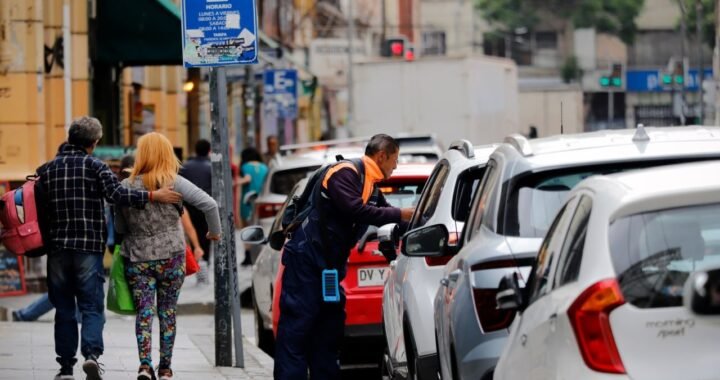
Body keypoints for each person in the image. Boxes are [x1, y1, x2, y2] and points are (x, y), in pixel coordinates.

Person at [38, 116, 182, 380]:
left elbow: (40, 210)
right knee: (91, 306)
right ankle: (91, 356)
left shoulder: (46, 170)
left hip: (57, 249)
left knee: (64, 309)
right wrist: (152, 195)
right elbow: (118, 195)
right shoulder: (96, 167)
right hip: (88, 248)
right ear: (94, 142)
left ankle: (66, 368)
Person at [274, 134, 414, 379]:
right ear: (382, 156)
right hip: (306, 260)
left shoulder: (370, 186)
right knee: (297, 328)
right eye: (395, 159)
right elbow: (355, 209)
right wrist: (401, 213)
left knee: (328, 330)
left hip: (329, 266)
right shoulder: (344, 172)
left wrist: (419, 225)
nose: (395, 166)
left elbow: (387, 216)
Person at [115, 132, 221, 380]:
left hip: (138, 257)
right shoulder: (174, 181)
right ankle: (165, 369)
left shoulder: (125, 186)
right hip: (171, 256)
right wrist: (213, 232)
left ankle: (144, 364)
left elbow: (120, 228)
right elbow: (210, 205)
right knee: (167, 311)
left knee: (144, 312)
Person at [179, 139, 213, 284]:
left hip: (188, 207)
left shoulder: (185, 167)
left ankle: (196, 261)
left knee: (192, 233)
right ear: (209, 150)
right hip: (205, 207)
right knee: (206, 234)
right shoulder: (211, 167)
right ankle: (204, 261)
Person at [238, 147, 268, 265]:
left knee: (247, 229)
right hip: (262, 200)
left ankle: (248, 255)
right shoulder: (264, 167)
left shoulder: (244, 167)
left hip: (247, 201)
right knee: (261, 227)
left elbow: (246, 179)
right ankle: (261, 254)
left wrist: (235, 182)